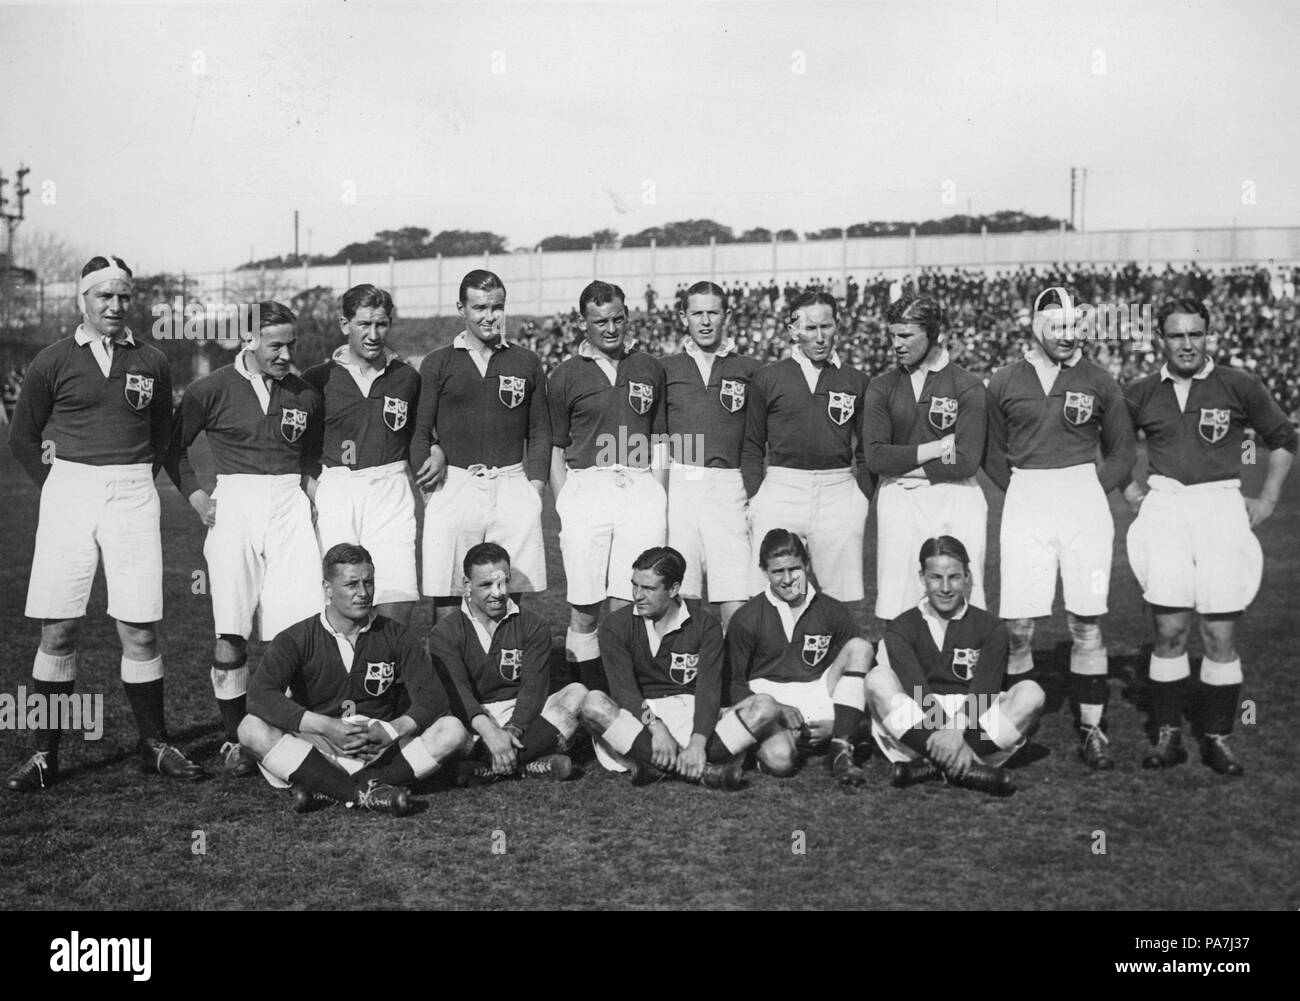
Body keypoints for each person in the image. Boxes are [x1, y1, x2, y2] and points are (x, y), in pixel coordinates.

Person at [6, 254, 204, 791]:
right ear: (83, 300)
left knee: (139, 627)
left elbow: (165, 438)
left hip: (134, 492)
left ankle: (153, 744)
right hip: (69, 491)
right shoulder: (51, 360)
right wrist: (60, 491)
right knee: (60, 627)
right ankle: (45, 755)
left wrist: (194, 495)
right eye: (104, 296)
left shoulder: (155, 362)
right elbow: (23, 439)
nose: (115, 306)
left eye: (123, 297)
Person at [1122, 298, 1296, 776]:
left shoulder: (1238, 384)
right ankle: (1169, 735)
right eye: (1176, 335)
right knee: (1169, 630)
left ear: (1207, 336)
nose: (1187, 344)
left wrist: (1268, 501)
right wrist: (1134, 494)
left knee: (1219, 632)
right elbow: (1111, 444)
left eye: (1195, 334)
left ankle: (1218, 736)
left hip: (1221, 505)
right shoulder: (1140, 391)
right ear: (1160, 338)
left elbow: (1283, 438)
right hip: (1165, 506)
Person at [165, 300, 324, 778]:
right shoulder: (209, 388)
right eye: (275, 345)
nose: (285, 355)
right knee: (231, 629)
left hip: (289, 504)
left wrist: (313, 494)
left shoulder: (305, 394)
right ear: (248, 340)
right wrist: (196, 497)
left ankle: (287, 732)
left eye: (291, 345)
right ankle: (235, 739)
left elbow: (311, 455)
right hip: (234, 503)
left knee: (295, 630)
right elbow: (172, 449)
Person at [984, 286, 1136, 770]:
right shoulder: (1005, 380)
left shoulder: (1100, 379)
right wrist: (1025, 491)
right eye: (1058, 328)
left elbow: (1123, 450)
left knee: (1085, 621)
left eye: (1075, 327)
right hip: (1027, 498)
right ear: (1037, 328)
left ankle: (1092, 728)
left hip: (1083, 502)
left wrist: (1092, 490)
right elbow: (990, 451)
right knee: (1020, 625)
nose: (1068, 337)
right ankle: (1018, 729)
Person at [238, 544, 466, 815]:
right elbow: (260, 696)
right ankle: (359, 792)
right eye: (351, 584)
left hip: (379, 745)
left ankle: (323, 787)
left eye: (368, 583)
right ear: (327, 588)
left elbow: (433, 697)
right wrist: (326, 726)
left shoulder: (396, 635)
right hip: (319, 744)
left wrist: (391, 730)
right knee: (250, 728)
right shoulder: (296, 637)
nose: (363, 593)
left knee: (453, 730)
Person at [411, 270, 550, 622]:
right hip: (455, 483)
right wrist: (432, 492)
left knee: (510, 589)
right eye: (480, 307)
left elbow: (539, 431)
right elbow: (420, 431)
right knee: (448, 590)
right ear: (462, 308)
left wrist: (533, 490)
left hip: (511, 482)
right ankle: (452, 675)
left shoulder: (526, 361)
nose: (490, 316)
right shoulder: (438, 362)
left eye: (497, 306)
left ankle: (505, 669)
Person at [548, 280, 668, 687]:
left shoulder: (650, 367)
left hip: (638, 483)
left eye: (618, 318)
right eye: (600, 321)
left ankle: (621, 696)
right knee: (585, 603)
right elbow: (556, 448)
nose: (611, 328)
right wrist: (566, 501)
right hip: (587, 486)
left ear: (627, 316)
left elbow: (661, 439)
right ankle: (583, 693)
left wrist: (659, 491)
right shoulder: (565, 375)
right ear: (584, 323)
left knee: (629, 600)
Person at [580, 547, 780, 788]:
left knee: (766, 706)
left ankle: (656, 765)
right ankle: (701, 771)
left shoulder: (705, 625)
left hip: (695, 718)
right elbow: (625, 692)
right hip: (641, 720)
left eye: (649, 588)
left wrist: (698, 741)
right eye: (635, 585)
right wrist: (654, 725)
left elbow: (709, 690)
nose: (638, 595)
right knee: (592, 703)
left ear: (674, 589)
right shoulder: (615, 624)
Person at [865, 536, 1044, 796]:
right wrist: (944, 731)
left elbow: (986, 688)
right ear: (922, 577)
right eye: (936, 577)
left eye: (955, 577)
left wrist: (957, 729)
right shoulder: (901, 627)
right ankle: (967, 766)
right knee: (877, 679)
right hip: (919, 726)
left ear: (968, 577)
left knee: (1032, 693)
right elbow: (917, 690)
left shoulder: (990, 626)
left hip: (975, 727)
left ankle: (929, 766)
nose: (946, 588)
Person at [740, 290, 872, 602]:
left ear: (837, 327)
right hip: (781, 487)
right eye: (810, 328)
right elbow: (752, 446)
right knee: (770, 596)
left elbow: (868, 450)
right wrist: (757, 498)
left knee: (839, 599)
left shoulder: (856, 380)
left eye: (826, 326)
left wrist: (862, 500)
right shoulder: (768, 377)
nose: (820, 336)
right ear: (793, 330)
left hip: (838, 490)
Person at [864, 294, 989, 620]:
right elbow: (876, 457)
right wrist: (936, 448)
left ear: (933, 333)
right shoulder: (881, 387)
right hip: (899, 500)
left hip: (957, 496)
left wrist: (907, 465)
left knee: (960, 594)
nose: (896, 344)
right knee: (900, 598)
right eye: (892, 335)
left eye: (905, 335)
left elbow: (966, 459)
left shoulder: (968, 386)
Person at [303, 284, 420, 624]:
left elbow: (418, 434)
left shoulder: (407, 377)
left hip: (390, 485)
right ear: (344, 325)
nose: (373, 334)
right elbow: (296, 442)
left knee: (396, 594)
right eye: (363, 324)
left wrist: (436, 449)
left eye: (381, 324)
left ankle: (386, 674)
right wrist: (311, 485)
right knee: (339, 595)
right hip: (338, 487)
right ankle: (339, 674)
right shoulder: (317, 379)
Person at [726, 530, 874, 787]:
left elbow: (862, 672)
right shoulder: (747, 617)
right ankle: (773, 744)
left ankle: (840, 743)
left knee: (860, 647)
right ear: (764, 572)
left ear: (806, 564)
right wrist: (777, 709)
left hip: (817, 693)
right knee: (781, 761)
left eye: (794, 569)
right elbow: (732, 683)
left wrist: (840, 725)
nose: (787, 580)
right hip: (769, 700)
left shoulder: (831, 609)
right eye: (777, 572)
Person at [430, 543, 588, 784]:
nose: (497, 593)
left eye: (502, 582)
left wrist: (513, 729)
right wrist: (491, 733)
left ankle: (486, 768)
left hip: (524, 719)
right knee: (447, 730)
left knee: (578, 694)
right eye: (485, 585)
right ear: (467, 585)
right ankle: (530, 761)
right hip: (475, 721)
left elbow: (534, 690)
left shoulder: (533, 625)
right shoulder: (445, 631)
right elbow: (459, 696)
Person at [661, 280, 760, 627]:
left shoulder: (751, 369)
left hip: (729, 483)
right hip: (681, 480)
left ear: (727, 316)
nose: (705, 321)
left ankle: (733, 676)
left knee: (734, 587)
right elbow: (657, 436)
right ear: (683, 316)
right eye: (697, 313)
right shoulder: (666, 367)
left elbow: (759, 438)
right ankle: (685, 672)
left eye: (713, 313)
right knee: (682, 589)